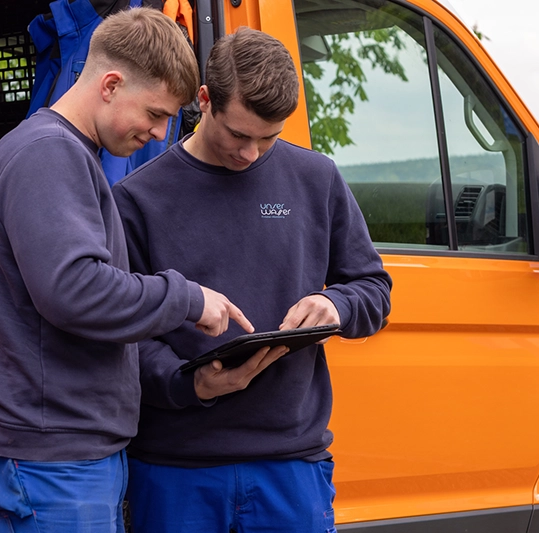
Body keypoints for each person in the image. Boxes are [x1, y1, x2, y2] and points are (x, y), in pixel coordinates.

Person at [0, 8, 254, 533]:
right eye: (156, 113)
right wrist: (187, 299)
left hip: (61, 457)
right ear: (111, 84)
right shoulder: (50, 155)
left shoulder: (63, 153)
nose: (162, 133)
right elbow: (75, 290)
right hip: (53, 464)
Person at [112, 27, 392, 532]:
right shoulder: (137, 199)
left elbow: (373, 289)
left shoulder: (317, 178)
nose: (251, 155)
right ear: (204, 101)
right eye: (239, 135)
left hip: (291, 465)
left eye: (269, 137)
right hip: (176, 467)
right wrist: (189, 383)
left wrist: (338, 308)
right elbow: (120, 334)